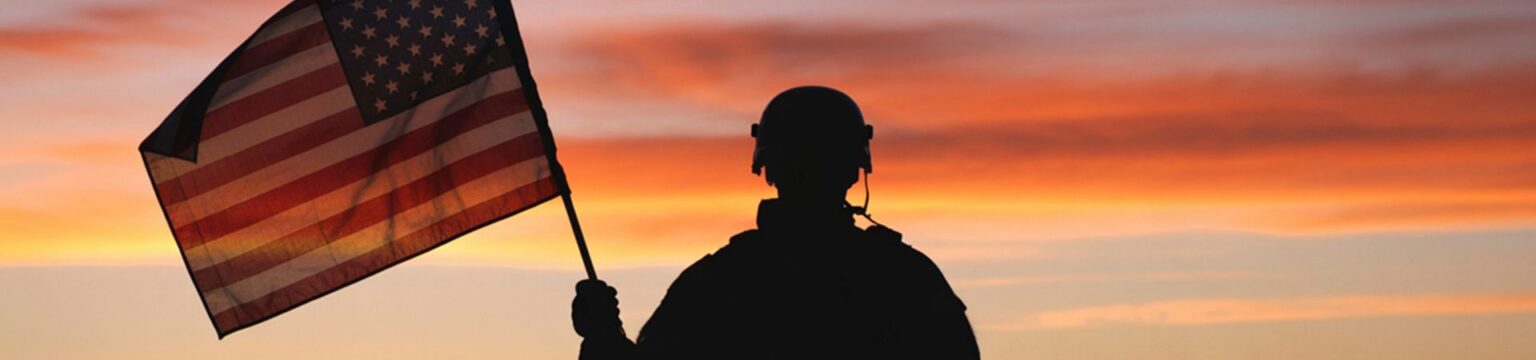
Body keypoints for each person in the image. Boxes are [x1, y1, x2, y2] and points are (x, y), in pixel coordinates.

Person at [571, 86, 979, 360]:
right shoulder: (904, 277)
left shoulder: (721, 280)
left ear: (766, 167)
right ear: (856, 169)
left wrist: (604, 338)